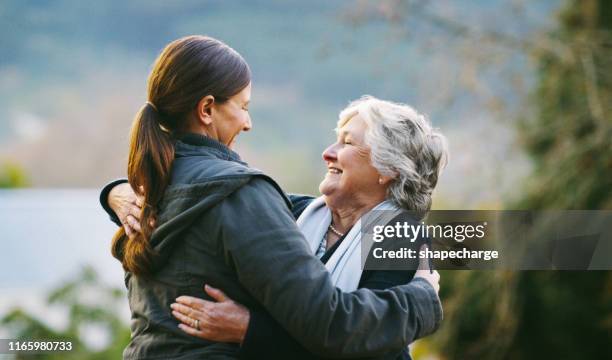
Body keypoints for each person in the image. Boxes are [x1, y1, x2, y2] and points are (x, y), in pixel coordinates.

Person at [102, 35, 442, 359]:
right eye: (243, 107)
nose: (328, 152)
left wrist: (250, 330)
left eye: (348, 143)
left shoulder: (399, 234)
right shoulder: (286, 207)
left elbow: (369, 348)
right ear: (206, 110)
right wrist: (115, 193)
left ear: (387, 169)